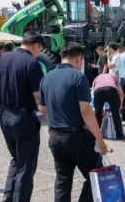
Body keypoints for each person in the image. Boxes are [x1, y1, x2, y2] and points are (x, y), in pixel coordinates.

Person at [0, 31, 45, 202]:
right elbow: (38, 97)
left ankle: (8, 197)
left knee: (16, 159)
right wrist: (51, 121)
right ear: (36, 45)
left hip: (5, 116)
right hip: (24, 119)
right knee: (26, 166)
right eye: (40, 49)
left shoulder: (3, 60)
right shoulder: (33, 64)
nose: (39, 53)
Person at [40, 42, 109, 202]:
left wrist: (52, 123)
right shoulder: (78, 77)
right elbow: (86, 111)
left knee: (62, 181)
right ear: (79, 58)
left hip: (56, 137)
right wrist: (99, 139)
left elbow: (42, 108)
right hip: (77, 137)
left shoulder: (46, 78)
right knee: (96, 176)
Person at [92, 72, 125, 140]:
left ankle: (95, 135)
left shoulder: (96, 78)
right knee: (115, 113)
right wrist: (120, 104)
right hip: (111, 90)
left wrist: (100, 109)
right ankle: (119, 134)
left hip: (98, 91)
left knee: (97, 114)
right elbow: (121, 92)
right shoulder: (114, 77)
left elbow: (93, 93)